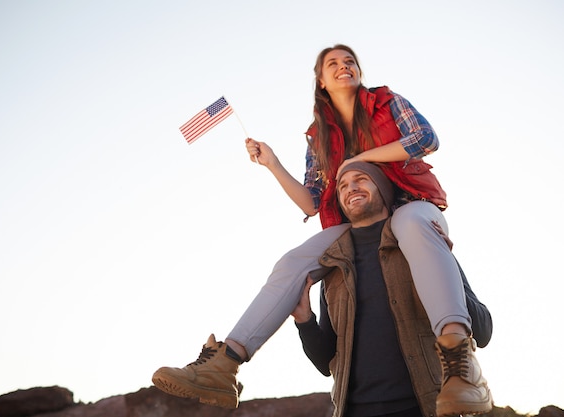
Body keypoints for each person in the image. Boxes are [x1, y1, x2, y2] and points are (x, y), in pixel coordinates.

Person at [152, 44, 485, 415]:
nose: (344, 67)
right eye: (333, 64)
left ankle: (459, 362)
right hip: (355, 225)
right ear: (321, 81)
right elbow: (313, 202)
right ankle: (226, 363)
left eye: (350, 62)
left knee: (410, 225)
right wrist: (273, 164)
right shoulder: (319, 137)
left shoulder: (386, 101)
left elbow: (425, 140)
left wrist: (360, 159)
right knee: (294, 261)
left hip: (411, 205)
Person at [292, 161, 492, 417]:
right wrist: (305, 320)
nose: (350, 188)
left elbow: (483, 332)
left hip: (427, 408)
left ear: (384, 188)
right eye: (342, 185)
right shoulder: (335, 266)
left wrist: (444, 270)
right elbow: (324, 361)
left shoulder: (421, 246)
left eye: (361, 178)